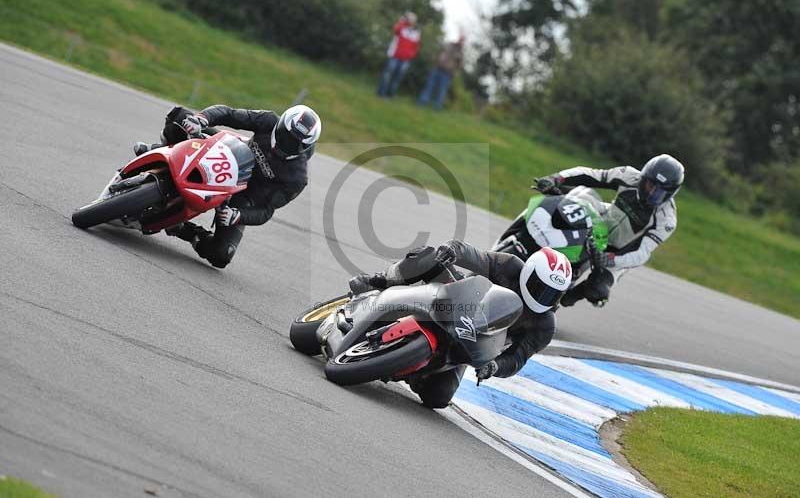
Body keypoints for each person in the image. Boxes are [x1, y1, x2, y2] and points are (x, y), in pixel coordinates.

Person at [348, 240, 571, 408]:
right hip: (457, 300)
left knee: (439, 397)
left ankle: (413, 369)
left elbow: (517, 358)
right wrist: (452, 250)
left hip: (471, 341)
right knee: (430, 257)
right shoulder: (510, 266)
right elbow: (473, 256)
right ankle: (380, 280)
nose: (544, 298)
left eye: (553, 295)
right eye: (540, 288)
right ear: (528, 272)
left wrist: (494, 366)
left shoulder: (544, 325)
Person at [132, 104, 321, 269]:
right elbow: (228, 113)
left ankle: (183, 229)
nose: (286, 144)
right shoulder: (268, 120)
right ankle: (159, 151)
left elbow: (266, 210)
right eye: (286, 136)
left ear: (305, 147)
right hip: (232, 155)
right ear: (281, 125)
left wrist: (238, 215)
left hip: (244, 194)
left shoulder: (297, 178)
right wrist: (201, 119)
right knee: (179, 117)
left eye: (294, 143)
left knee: (221, 254)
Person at [535, 154, 684, 306]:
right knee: (566, 210)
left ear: (671, 193)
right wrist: (556, 178)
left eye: (659, 191)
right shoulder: (628, 175)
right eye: (650, 185)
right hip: (600, 224)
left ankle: (570, 296)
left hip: (620, 252)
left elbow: (642, 253)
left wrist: (611, 259)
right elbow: (590, 174)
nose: (652, 193)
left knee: (597, 291)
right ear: (643, 177)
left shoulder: (666, 220)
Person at [377, 12, 421, 97]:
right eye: (409, 19)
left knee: (397, 78)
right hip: (394, 56)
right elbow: (396, 29)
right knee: (387, 75)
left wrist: (411, 55)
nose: (411, 21)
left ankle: (390, 95)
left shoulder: (416, 33)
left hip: (405, 60)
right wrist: (402, 21)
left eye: (412, 20)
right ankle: (381, 93)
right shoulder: (401, 28)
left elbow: (416, 47)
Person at [418, 35, 464, 109]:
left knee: (441, 91)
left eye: (462, 40)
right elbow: (439, 51)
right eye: (460, 39)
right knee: (429, 86)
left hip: (447, 73)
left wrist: (453, 73)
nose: (460, 41)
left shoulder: (460, 53)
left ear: (463, 42)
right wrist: (435, 60)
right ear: (458, 39)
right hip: (437, 68)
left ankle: (437, 107)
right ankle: (422, 103)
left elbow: (459, 66)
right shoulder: (449, 45)